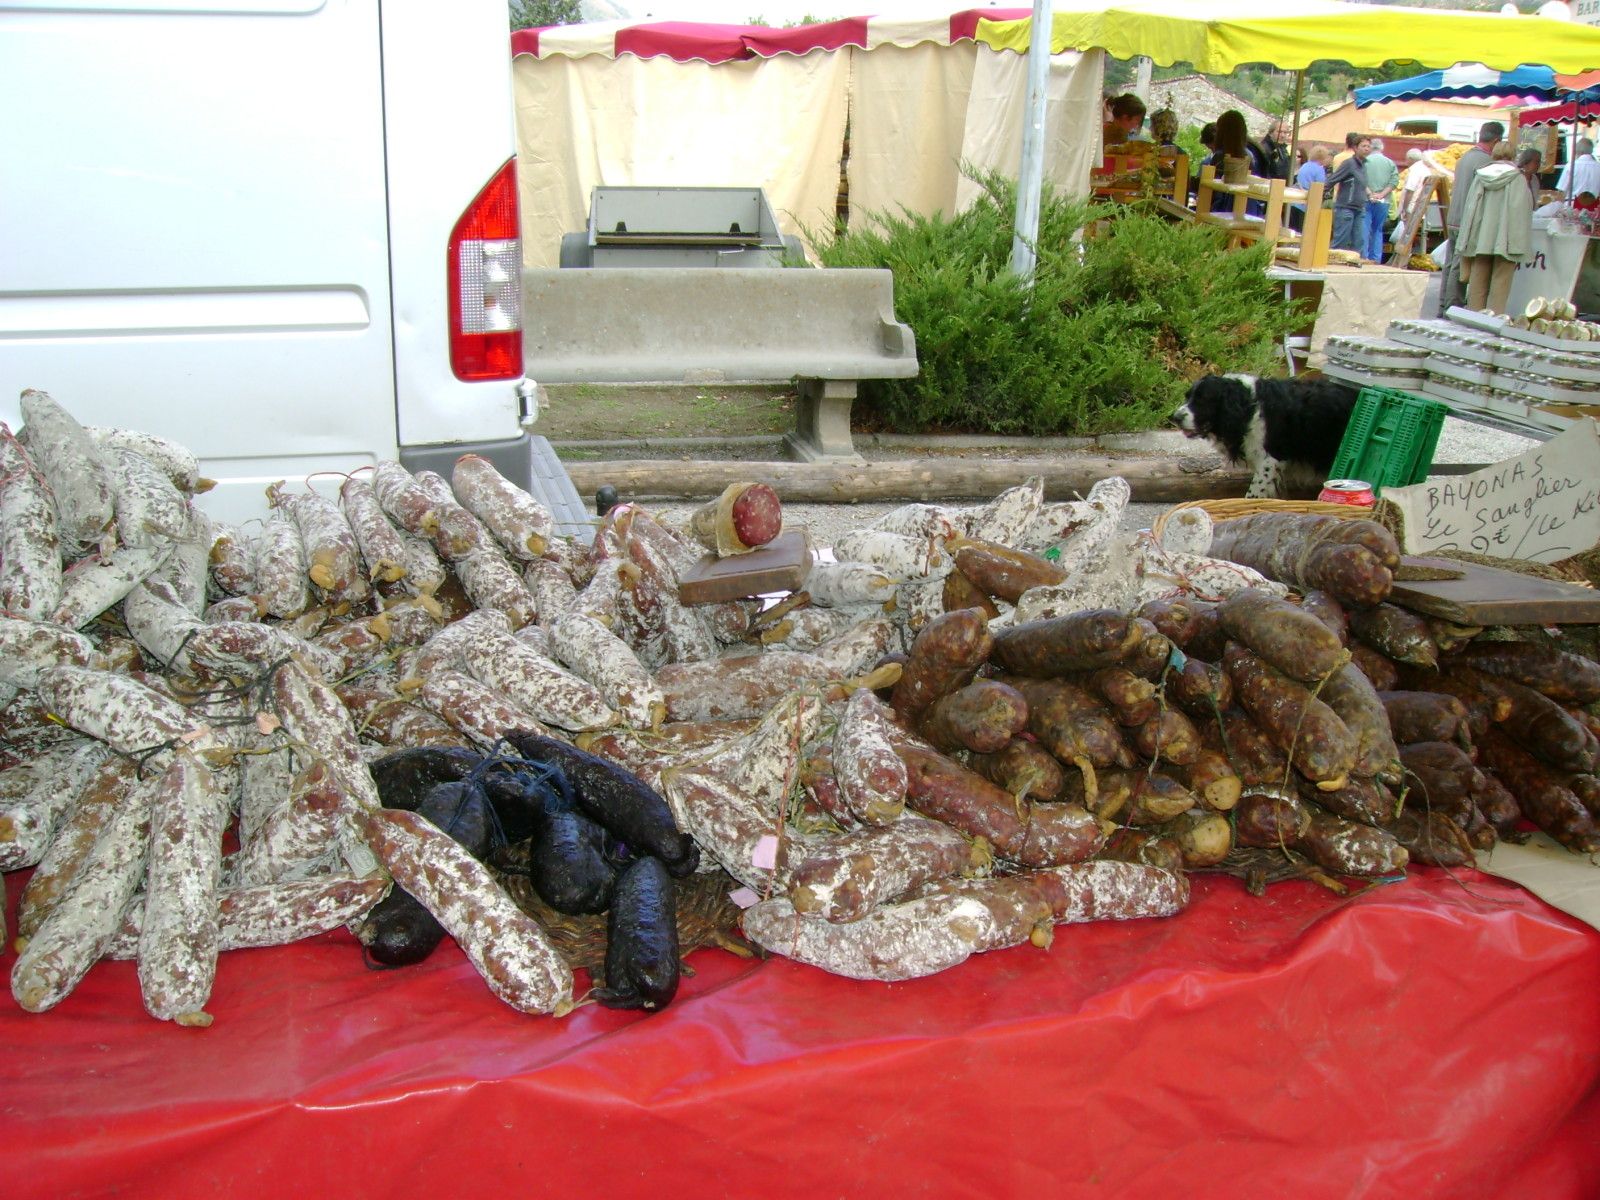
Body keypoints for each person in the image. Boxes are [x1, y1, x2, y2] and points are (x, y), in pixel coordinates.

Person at [1456, 142, 1533, 315]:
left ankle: (1473, 318)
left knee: (1477, 280)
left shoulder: (1480, 176)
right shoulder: (1518, 178)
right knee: (1501, 282)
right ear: (1513, 156)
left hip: (1481, 237)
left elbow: (1471, 209)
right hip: (1505, 239)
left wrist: (1467, 238)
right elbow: (1522, 211)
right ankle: (1493, 318)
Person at [1439, 120, 1504, 315]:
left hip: (1454, 215)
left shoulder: (1465, 158)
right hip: (1466, 219)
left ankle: (1444, 303)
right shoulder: (1485, 162)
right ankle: (1452, 307)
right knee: (1460, 265)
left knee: (1450, 264)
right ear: (1497, 140)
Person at [1205, 109, 1267, 213]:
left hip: (1222, 211)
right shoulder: (1251, 155)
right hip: (1248, 211)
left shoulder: (1220, 157)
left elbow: (1211, 192)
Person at [1325, 136, 1372, 255]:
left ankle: (1355, 265)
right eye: (1363, 146)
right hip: (1346, 207)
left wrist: (1369, 194)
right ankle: (1334, 265)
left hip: (1359, 208)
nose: (1366, 149)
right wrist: (1321, 193)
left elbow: (1361, 184)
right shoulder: (1349, 163)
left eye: (1368, 146)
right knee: (1341, 240)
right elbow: (1332, 180)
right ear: (1355, 148)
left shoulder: (1364, 165)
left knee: (1359, 240)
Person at [1363, 137, 1398, 262]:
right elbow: (1394, 181)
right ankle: (1376, 259)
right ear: (1382, 148)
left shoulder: (1364, 161)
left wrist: (1370, 194)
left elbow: (1360, 179)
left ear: (1370, 147)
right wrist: (1382, 194)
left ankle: (1364, 257)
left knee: (1365, 229)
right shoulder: (1390, 163)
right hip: (1383, 202)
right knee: (1377, 230)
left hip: (1366, 200)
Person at [1290, 145, 1329, 232]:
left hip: (1294, 201)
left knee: (1293, 229)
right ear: (1322, 158)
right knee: (1303, 231)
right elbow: (1320, 187)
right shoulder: (1319, 169)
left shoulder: (1305, 166)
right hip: (1306, 204)